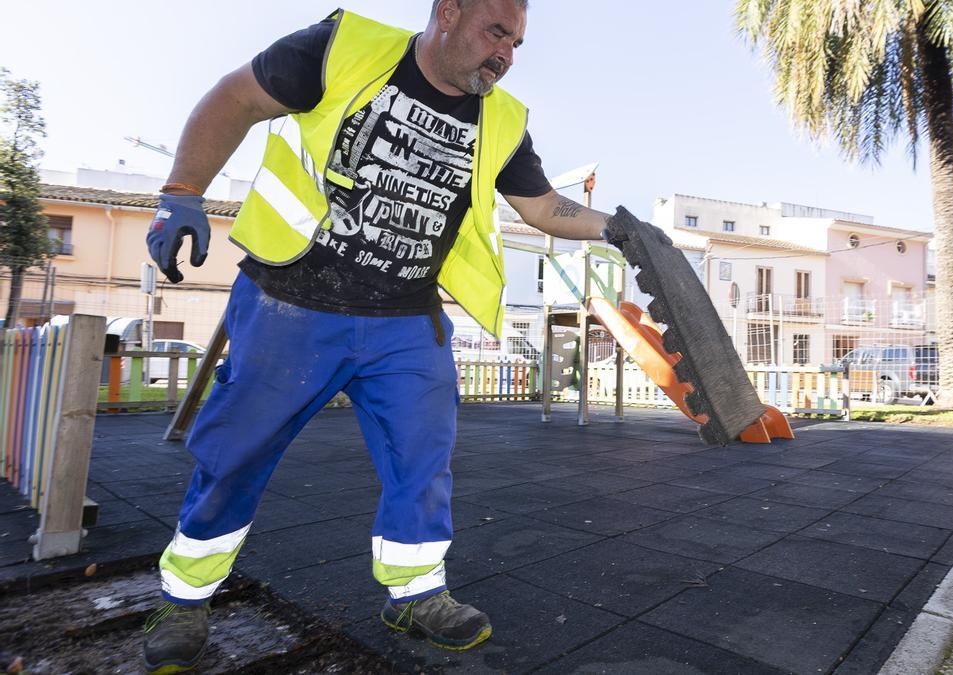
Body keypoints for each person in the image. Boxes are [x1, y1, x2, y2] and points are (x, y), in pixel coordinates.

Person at [141, 1, 615, 671]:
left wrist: (619, 227)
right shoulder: (343, 50)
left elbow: (541, 206)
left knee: (423, 458)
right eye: (497, 32)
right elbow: (237, 97)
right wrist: (181, 190)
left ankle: (415, 593)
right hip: (291, 302)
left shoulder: (502, 120)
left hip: (403, 317)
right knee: (236, 454)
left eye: (517, 42)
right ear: (448, 13)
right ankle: (185, 597)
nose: (507, 53)